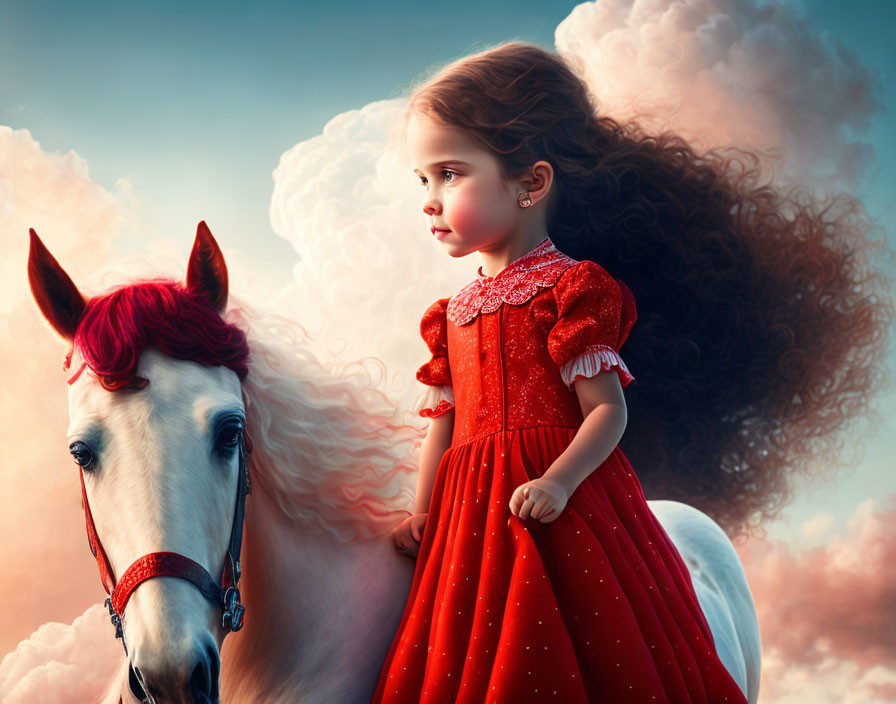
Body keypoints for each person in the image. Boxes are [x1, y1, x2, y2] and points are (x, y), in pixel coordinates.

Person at [372, 41, 892, 703]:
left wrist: (559, 482)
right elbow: (440, 430)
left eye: (450, 174)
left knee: (602, 651)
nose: (429, 199)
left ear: (531, 184)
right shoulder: (448, 315)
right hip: (470, 518)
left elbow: (606, 411)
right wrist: (422, 512)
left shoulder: (572, 292)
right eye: (423, 179)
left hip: (566, 501)